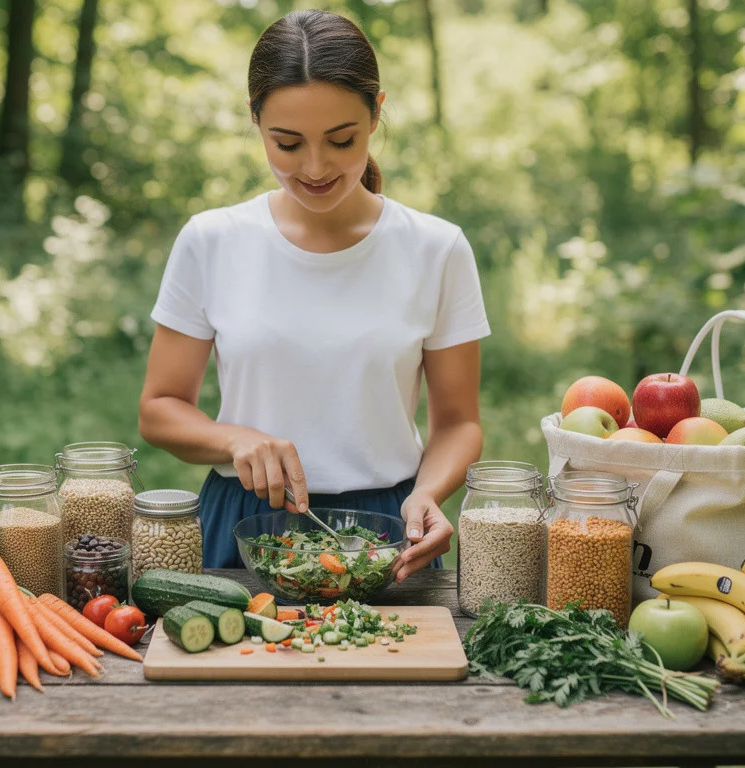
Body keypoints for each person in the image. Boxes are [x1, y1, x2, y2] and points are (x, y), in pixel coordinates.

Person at [138, 9, 489, 583]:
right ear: (256, 119)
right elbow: (158, 411)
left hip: (388, 529)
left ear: (376, 112)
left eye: (341, 139)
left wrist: (428, 494)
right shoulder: (211, 240)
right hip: (243, 523)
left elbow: (458, 421)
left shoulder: (436, 248)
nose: (316, 166)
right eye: (288, 143)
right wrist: (235, 439)